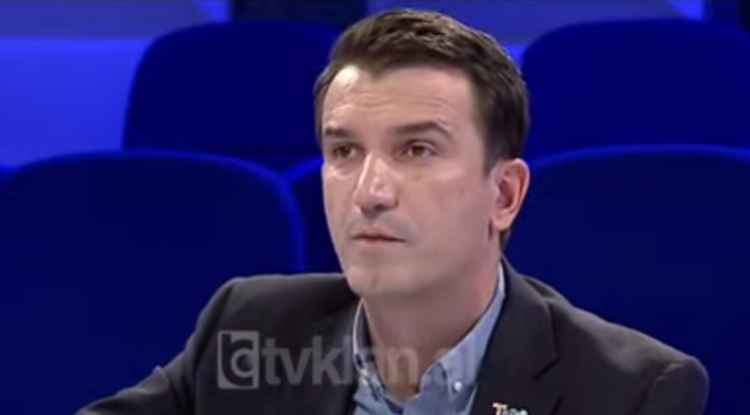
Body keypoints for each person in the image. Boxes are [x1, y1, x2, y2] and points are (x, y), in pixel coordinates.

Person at [75, 8, 709, 415]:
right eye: (344, 151)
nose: (370, 191)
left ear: (504, 196)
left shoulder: (629, 391)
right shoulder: (250, 329)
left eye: (417, 150)